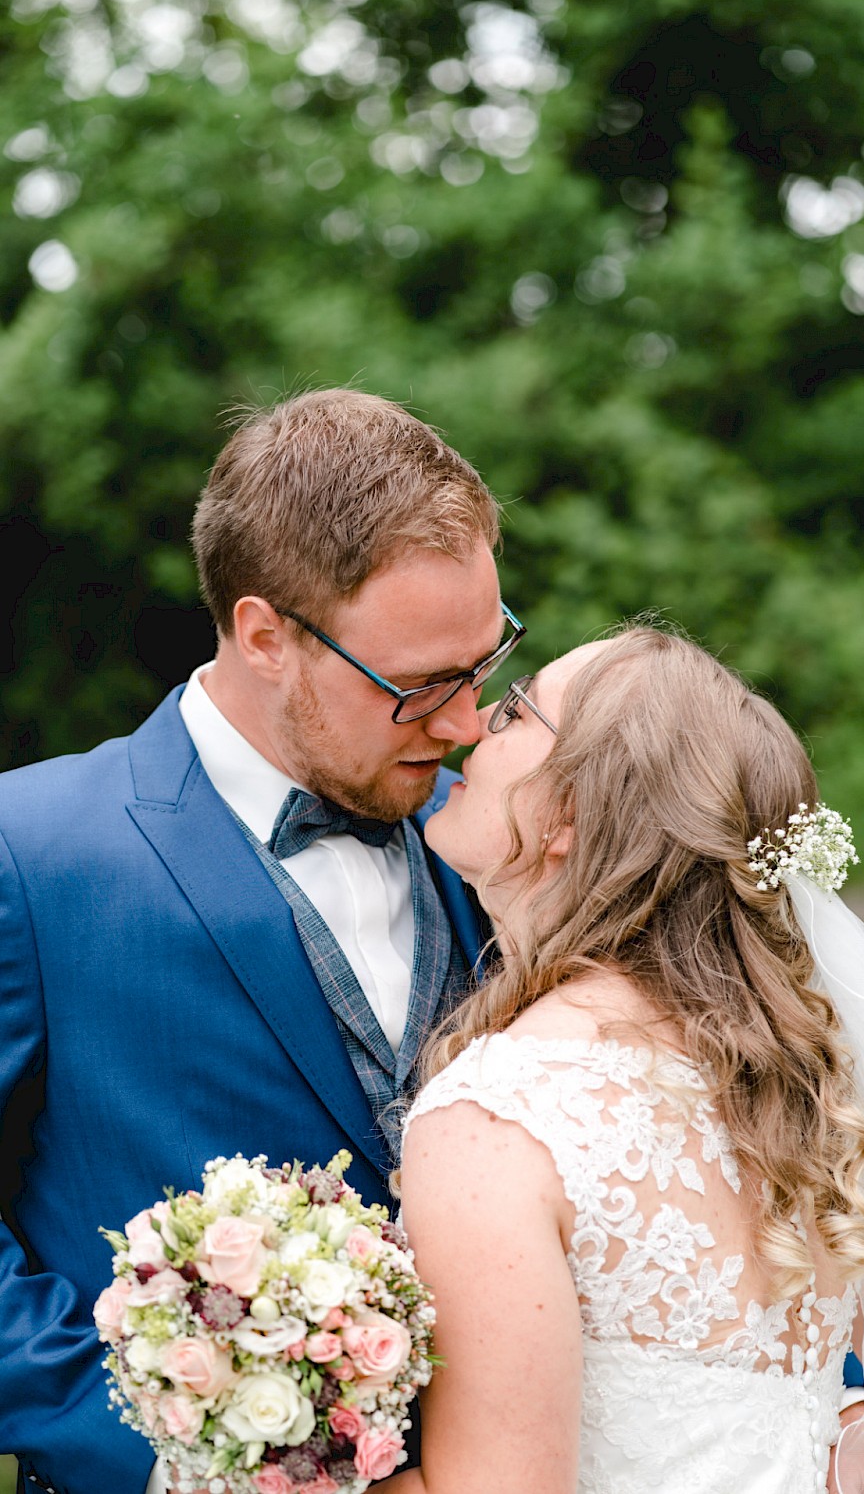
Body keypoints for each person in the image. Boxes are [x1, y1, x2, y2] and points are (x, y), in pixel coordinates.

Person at [0, 388, 518, 1494]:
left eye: (488, 660)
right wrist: (184, 1443)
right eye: (423, 684)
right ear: (265, 636)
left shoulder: (504, 832)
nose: (471, 721)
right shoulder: (28, 853)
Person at [381, 628, 864, 1494]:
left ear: (567, 816)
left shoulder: (500, 1116)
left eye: (516, 710)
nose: (476, 719)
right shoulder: (788, 1090)